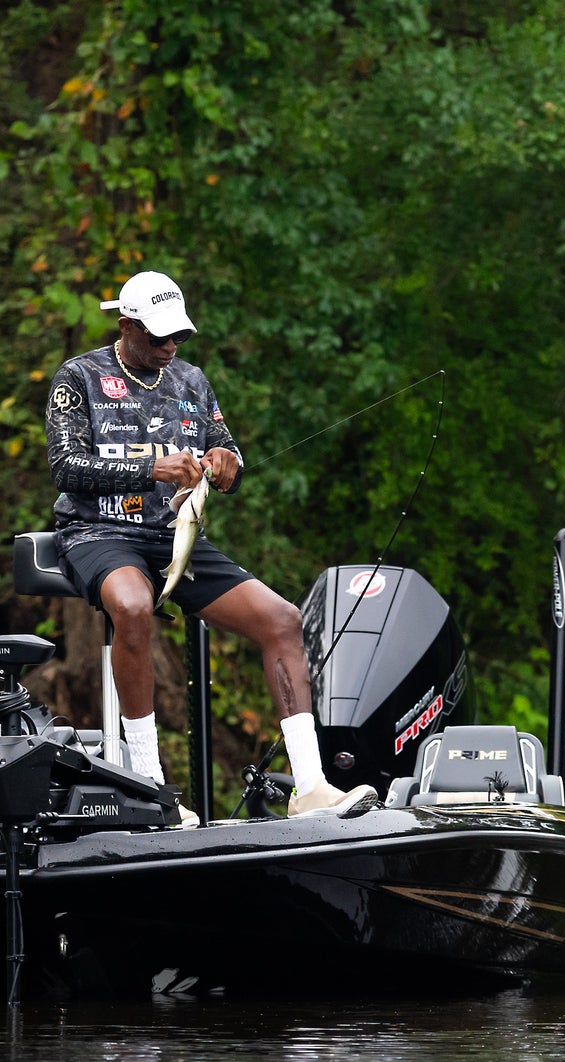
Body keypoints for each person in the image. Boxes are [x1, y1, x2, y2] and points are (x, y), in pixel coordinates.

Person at [43, 270, 377, 819]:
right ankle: (150, 789)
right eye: (159, 336)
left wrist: (227, 464)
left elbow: (227, 453)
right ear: (126, 327)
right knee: (133, 606)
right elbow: (66, 467)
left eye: (179, 335)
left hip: (176, 534)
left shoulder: (192, 381)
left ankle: (312, 787)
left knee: (283, 619)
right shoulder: (78, 376)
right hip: (98, 532)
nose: (171, 346)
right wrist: (152, 468)